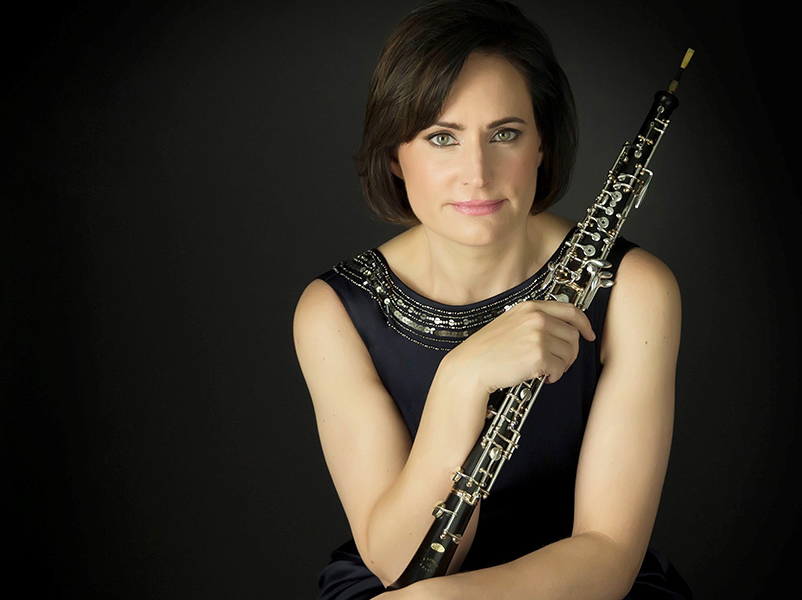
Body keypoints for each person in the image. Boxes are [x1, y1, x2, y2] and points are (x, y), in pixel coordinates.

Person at [293, 1, 691, 598]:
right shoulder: (334, 311)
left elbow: (607, 553)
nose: (476, 173)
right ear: (395, 156)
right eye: (441, 138)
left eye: (504, 133)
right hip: (401, 580)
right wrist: (461, 379)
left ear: (542, 146)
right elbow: (399, 565)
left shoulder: (635, 289)